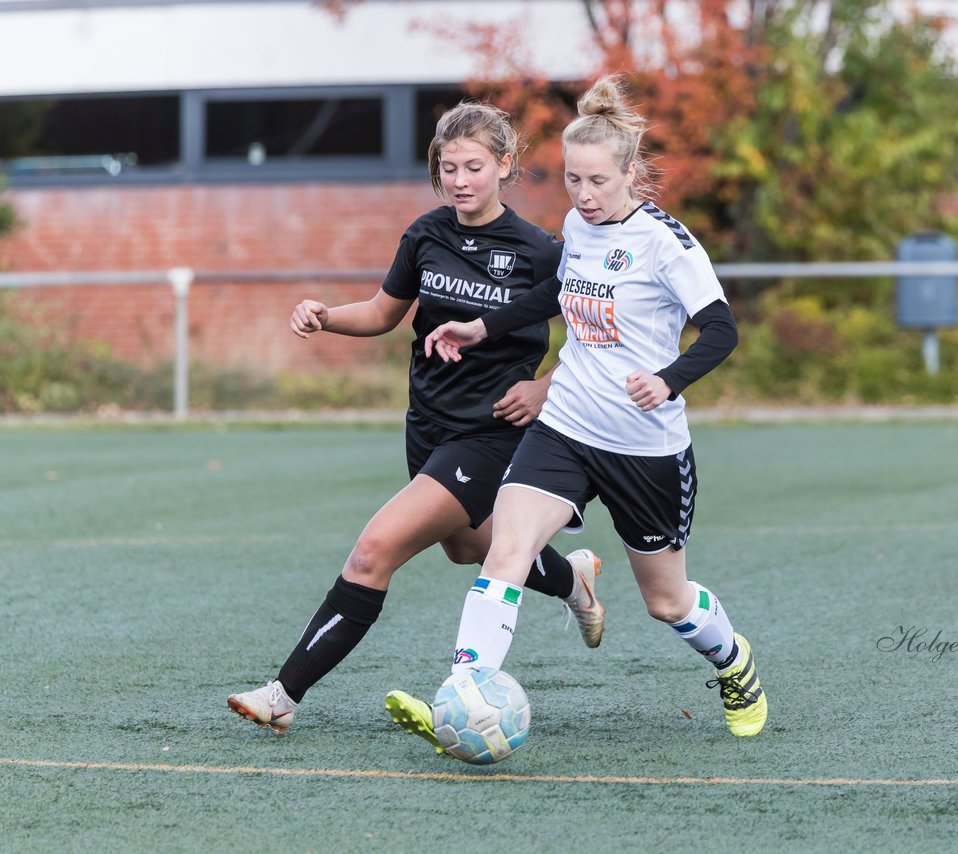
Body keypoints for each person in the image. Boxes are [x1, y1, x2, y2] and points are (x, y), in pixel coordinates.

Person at [384, 75, 767, 749]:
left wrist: (669, 380)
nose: (583, 196)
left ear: (630, 176)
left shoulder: (665, 244)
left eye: (597, 182)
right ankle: (464, 695)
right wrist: (481, 327)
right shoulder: (577, 228)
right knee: (505, 548)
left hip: (644, 448)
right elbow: (553, 296)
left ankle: (734, 664)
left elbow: (720, 330)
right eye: (572, 181)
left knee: (666, 602)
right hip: (565, 426)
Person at [226, 102, 606, 734]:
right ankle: (573, 580)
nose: (460, 180)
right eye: (449, 167)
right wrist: (326, 316)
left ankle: (282, 696)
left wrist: (545, 388)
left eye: (475, 167)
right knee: (466, 547)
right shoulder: (426, 235)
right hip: (427, 423)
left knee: (375, 549)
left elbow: (601, 335)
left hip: (491, 432)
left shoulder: (542, 252)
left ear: (505, 166)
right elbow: (381, 312)